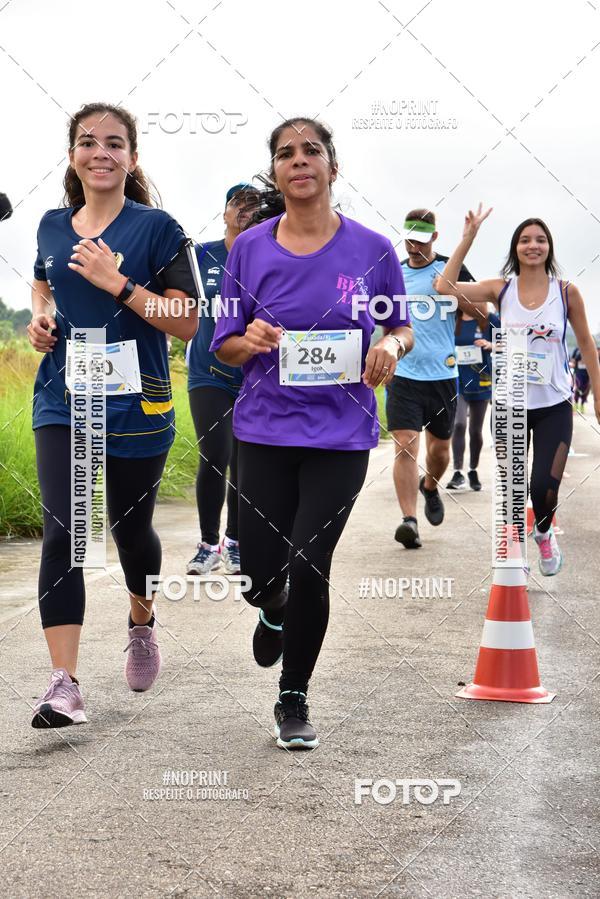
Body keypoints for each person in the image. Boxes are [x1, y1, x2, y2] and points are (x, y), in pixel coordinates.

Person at [211, 116, 413, 749]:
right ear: (276, 171)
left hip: (341, 434)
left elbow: (401, 327)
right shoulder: (248, 249)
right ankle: (271, 607)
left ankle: (293, 696)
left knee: (310, 560)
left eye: (312, 151)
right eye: (285, 154)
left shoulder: (373, 250)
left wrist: (391, 346)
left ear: (333, 166)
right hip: (264, 431)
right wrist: (252, 339)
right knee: (261, 574)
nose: (299, 161)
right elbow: (224, 346)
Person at [27, 102, 199, 728]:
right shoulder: (50, 225)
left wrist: (117, 284)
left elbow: (187, 322)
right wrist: (43, 322)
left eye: (115, 143)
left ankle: (142, 616)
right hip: (65, 397)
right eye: (88, 141)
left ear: (132, 157)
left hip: (139, 399)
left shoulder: (157, 228)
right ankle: (64, 683)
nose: (101, 151)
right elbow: (44, 285)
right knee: (67, 530)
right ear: (72, 154)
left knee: (130, 532)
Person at [436, 206, 600, 575]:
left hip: (554, 405)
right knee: (511, 490)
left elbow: (588, 345)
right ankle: (514, 557)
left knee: (545, 486)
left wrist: (599, 394)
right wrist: (469, 237)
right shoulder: (501, 289)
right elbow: (444, 287)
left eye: (540, 239)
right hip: (510, 405)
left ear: (549, 247)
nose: (533, 245)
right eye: (525, 240)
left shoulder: (566, 292)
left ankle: (543, 532)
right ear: (515, 248)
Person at [386, 209, 476, 550]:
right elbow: (383, 316)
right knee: (406, 445)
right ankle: (409, 520)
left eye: (421, 241)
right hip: (404, 375)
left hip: (442, 375)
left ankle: (430, 486)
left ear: (435, 238)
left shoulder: (449, 268)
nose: (413, 247)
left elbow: (475, 306)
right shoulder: (394, 272)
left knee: (439, 453)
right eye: (409, 239)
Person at [186, 183, 260, 576]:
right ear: (225, 212)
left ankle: (234, 543)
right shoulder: (201, 256)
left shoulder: (267, 254)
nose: (245, 211)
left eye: (253, 205)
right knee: (215, 454)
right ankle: (206, 544)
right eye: (238, 204)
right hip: (207, 372)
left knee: (244, 462)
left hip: (253, 375)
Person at [446, 307, 499, 491]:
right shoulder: (453, 317)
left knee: (476, 431)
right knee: (459, 424)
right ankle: (457, 472)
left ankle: (472, 469)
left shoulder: (489, 319)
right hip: (457, 381)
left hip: (481, 382)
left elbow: (507, 342)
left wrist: (490, 345)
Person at [570, 346, 591, 413]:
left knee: (585, 390)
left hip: (587, 374)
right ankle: (575, 404)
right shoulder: (577, 350)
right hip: (578, 374)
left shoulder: (590, 350)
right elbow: (573, 360)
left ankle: (582, 405)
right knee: (577, 389)